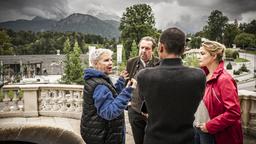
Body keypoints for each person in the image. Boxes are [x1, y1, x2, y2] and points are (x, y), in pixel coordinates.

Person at [137, 27, 206, 144]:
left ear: (160, 47)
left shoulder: (144, 75)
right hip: (186, 140)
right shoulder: (198, 75)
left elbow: (146, 105)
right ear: (183, 49)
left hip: (155, 140)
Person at [80, 48, 137, 144]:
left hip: (96, 133)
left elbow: (112, 97)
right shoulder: (100, 85)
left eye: (111, 60)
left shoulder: (96, 79)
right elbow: (109, 112)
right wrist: (128, 91)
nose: (111, 63)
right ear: (95, 63)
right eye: (106, 60)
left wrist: (120, 82)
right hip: (105, 137)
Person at [197, 40, 243, 144]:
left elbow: (234, 112)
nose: (198, 57)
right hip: (200, 130)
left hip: (217, 135)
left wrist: (209, 126)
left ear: (214, 56)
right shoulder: (204, 76)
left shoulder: (224, 79)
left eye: (202, 53)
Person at [126, 36, 159, 144]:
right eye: (142, 47)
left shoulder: (160, 64)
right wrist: (129, 104)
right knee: (139, 141)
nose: (143, 51)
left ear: (153, 50)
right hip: (135, 110)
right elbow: (127, 82)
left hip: (153, 113)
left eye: (147, 48)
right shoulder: (131, 62)